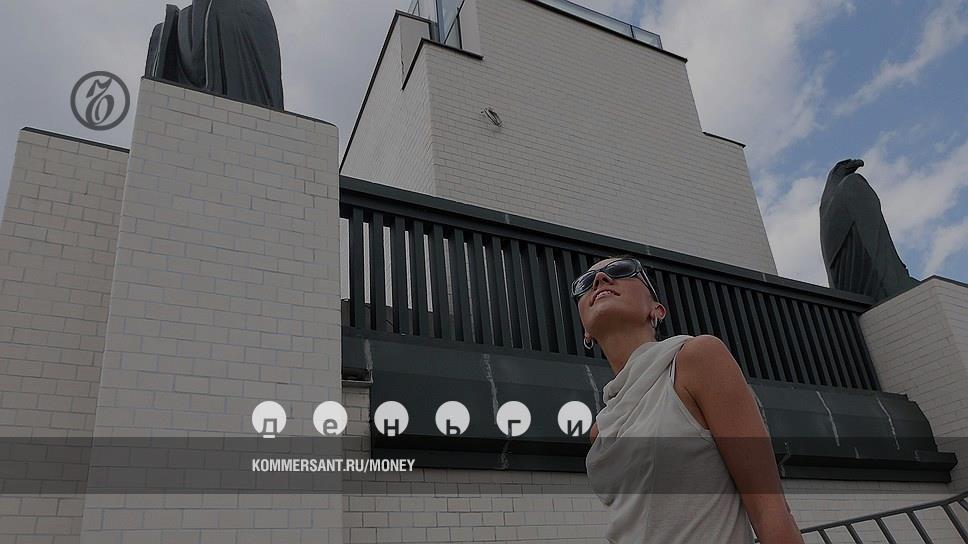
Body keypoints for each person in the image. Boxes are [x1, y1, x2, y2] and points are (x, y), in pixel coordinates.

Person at [576, 255, 803, 543]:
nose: (600, 280)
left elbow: (768, 508)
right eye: (585, 283)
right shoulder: (600, 430)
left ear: (656, 309)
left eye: (621, 270)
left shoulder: (697, 360)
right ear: (586, 331)